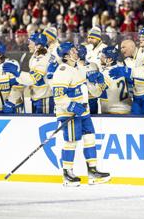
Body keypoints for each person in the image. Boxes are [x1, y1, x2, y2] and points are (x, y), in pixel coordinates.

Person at [51, 42, 110, 187]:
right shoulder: (63, 71)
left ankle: (92, 171)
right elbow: (58, 97)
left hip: (83, 111)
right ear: (66, 56)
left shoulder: (78, 68)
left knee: (89, 137)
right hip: (69, 112)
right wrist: (71, 105)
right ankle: (67, 173)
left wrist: (99, 80)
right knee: (71, 141)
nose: (76, 52)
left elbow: (90, 88)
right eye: (72, 51)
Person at [109, 27, 144, 115]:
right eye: (140, 36)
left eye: (143, 37)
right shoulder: (142, 52)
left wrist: (129, 72)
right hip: (139, 94)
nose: (140, 39)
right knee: (135, 123)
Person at [2, 33, 54, 114]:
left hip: (44, 99)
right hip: (38, 97)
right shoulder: (37, 56)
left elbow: (33, 79)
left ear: (38, 45)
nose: (28, 45)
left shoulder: (44, 59)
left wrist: (18, 73)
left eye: (31, 43)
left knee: (42, 124)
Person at [99, 46, 132, 114]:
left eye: (103, 56)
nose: (100, 58)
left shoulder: (105, 73)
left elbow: (97, 92)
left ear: (110, 59)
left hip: (112, 110)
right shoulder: (123, 68)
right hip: (127, 108)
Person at [76, 45, 104, 114]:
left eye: (83, 51)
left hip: (93, 98)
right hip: (80, 98)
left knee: (94, 118)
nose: (81, 53)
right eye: (79, 52)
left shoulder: (93, 65)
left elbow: (100, 80)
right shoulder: (73, 67)